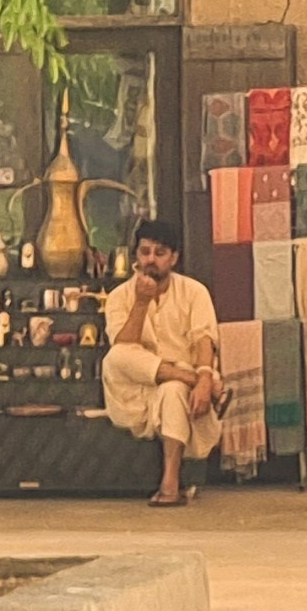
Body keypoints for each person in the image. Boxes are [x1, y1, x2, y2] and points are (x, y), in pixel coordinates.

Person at [102, 216, 223, 508]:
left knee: (172, 390)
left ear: (174, 258)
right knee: (115, 356)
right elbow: (124, 345)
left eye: (159, 253)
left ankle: (170, 483)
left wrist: (204, 378)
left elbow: (203, 340)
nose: (151, 260)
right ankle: (183, 376)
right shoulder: (119, 297)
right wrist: (141, 302)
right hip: (136, 389)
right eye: (145, 252)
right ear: (136, 256)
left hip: (180, 389)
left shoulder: (194, 292)